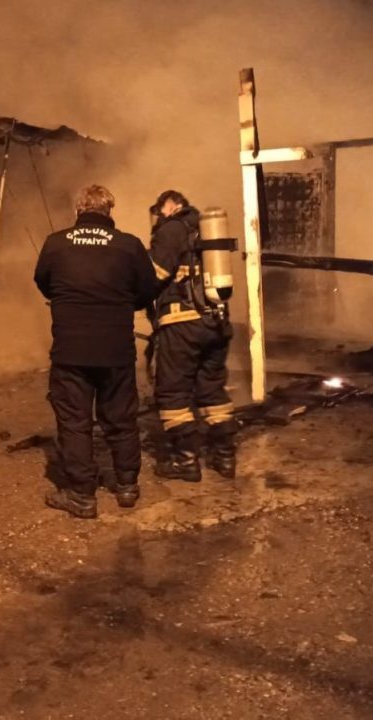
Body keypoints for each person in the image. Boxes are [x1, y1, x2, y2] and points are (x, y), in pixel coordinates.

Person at [34, 185, 159, 519]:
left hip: (70, 352)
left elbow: (43, 282)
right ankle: (128, 486)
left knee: (75, 422)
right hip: (116, 350)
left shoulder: (56, 243)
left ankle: (82, 495)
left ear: (78, 210)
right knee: (121, 418)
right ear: (110, 211)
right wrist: (119, 303)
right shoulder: (129, 245)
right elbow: (148, 290)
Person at [147, 190, 238, 482]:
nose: (157, 217)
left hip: (182, 322)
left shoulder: (173, 229)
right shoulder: (203, 230)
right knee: (212, 390)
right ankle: (225, 457)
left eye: (159, 210)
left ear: (171, 205)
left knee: (173, 390)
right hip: (216, 322)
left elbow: (155, 275)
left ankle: (185, 461)